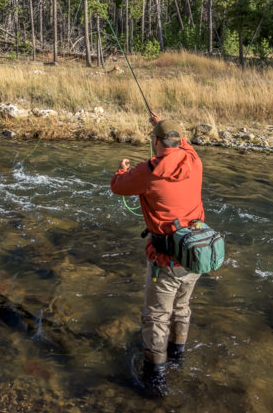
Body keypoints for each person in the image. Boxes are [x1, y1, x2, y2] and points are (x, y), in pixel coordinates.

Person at [110, 113, 205, 397]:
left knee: (156, 317)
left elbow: (118, 187)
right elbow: (183, 144)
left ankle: (155, 377)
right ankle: (178, 356)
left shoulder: (148, 171)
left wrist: (120, 169)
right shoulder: (194, 161)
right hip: (195, 254)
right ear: (178, 141)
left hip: (165, 260)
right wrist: (163, 123)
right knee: (182, 308)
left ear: (155, 142)